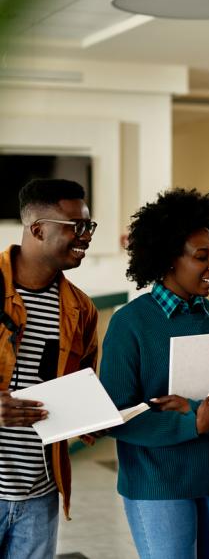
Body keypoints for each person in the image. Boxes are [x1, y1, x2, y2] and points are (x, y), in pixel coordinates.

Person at [99, 188, 209, 559]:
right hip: (156, 482)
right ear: (170, 259)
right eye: (202, 257)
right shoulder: (130, 324)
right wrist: (194, 423)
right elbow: (115, 416)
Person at [0, 178, 98, 558]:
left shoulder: (80, 309)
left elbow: (83, 388)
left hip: (40, 496)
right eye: (75, 226)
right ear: (38, 229)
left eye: (89, 226)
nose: (85, 236)